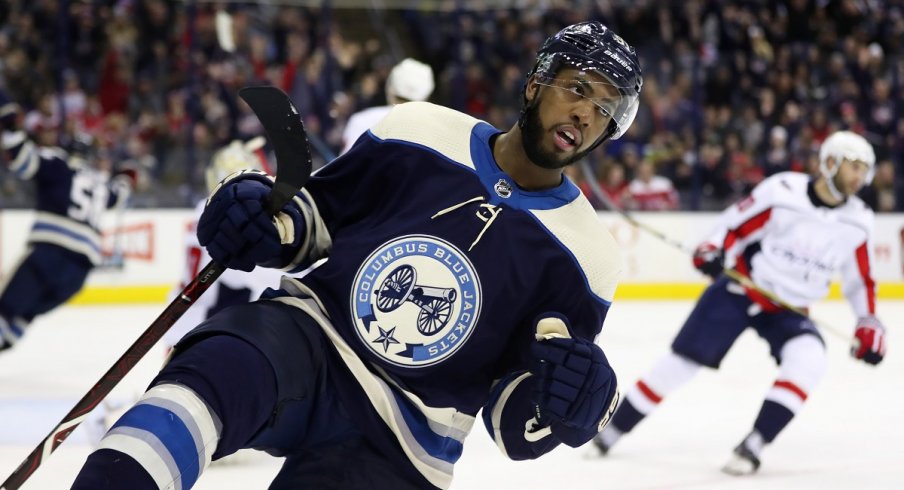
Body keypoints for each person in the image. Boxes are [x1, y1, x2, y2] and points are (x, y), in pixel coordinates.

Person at [72, 21, 643, 490]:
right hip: (307, 337)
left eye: (605, 107)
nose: (586, 113)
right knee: (201, 382)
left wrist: (574, 403)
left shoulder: (589, 255)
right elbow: (316, 222)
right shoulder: (419, 128)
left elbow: (515, 418)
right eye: (577, 88)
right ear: (536, 84)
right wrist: (261, 218)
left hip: (406, 439)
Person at [592, 130, 888, 475]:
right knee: (680, 365)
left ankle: (754, 444)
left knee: (808, 359)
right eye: (853, 165)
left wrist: (869, 320)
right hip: (741, 289)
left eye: (864, 168)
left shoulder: (859, 220)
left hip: (790, 310)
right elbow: (734, 226)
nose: (859, 175)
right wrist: (713, 247)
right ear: (831, 162)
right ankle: (612, 431)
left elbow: (861, 280)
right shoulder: (784, 192)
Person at [0, 92, 136, 352]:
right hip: (78, 273)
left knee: (4, 312)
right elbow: (121, 195)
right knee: (21, 321)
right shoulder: (100, 183)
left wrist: (11, 127)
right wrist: (126, 175)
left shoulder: (59, 163)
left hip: (48, 255)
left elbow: (22, 160)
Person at [161, 137, 284, 352]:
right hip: (214, 323)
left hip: (186, 316)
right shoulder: (235, 217)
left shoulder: (204, 210)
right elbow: (263, 277)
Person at [340, 57, 435, 154]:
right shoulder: (431, 140)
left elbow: (344, 166)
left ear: (389, 87)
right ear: (426, 99)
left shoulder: (362, 120)